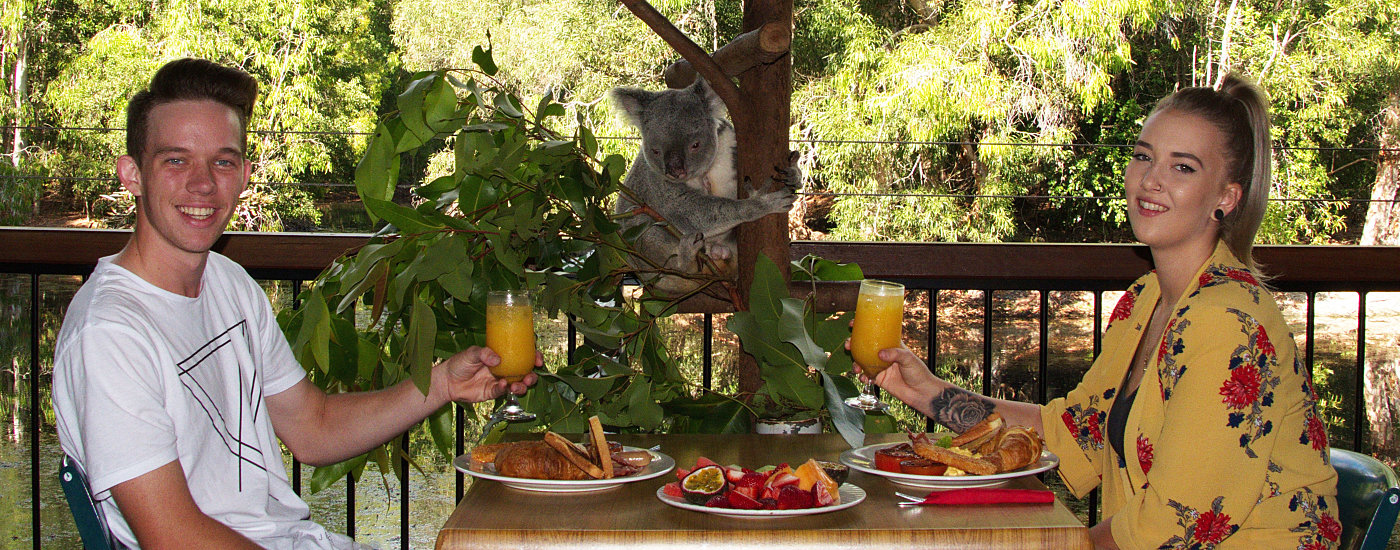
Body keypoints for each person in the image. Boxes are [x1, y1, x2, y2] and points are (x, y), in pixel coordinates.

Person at [50, 58, 540, 549]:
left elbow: (314, 428)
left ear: (243, 175)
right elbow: (172, 537)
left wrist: (440, 383)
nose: (203, 183)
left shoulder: (229, 283)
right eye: (175, 160)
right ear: (132, 175)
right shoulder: (110, 332)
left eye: (222, 161)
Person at [862, 74, 1339, 549]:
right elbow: (1074, 434)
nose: (1151, 180)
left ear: (1226, 197)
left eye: (1183, 168)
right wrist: (927, 392)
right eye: (1143, 156)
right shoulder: (1145, 299)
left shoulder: (1228, 323)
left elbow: (1175, 525)